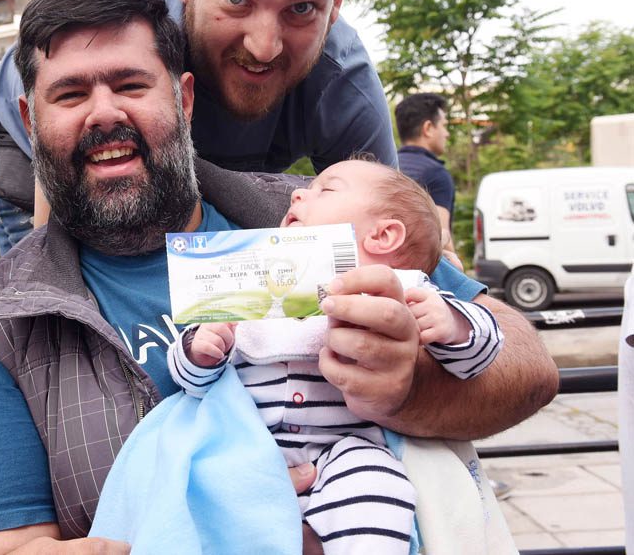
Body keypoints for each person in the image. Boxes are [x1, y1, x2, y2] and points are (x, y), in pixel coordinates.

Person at [0, 0, 558, 554]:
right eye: (70, 93)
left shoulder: (318, 214)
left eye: (132, 84)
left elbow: (529, 367)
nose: (105, 112)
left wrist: (410, 389)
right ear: (30, 122)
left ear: (184, 99)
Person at [0, 0, 398, 254]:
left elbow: (395, 231)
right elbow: (60, 131)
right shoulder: (126, 31)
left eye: (302, 7)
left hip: (183, 172)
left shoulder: (344, 89)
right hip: (39, 152)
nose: (263, 48)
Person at [169, 159, 503, 552]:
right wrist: (199, 353)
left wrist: (452, 323)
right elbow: (192, 385)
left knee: (378, 486)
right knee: (196, 492)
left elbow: (482, 351)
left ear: (383, 235)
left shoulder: (406, 292)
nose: (297, 193)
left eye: (325, 189)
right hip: (247, 449)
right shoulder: (250, 283)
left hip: (347, 447)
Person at [395, 92, 455, 231]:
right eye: (443, 125)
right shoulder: (435, 173)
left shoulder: (384, 166)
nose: (447, 134)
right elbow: (440, 235)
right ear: (428, 128)